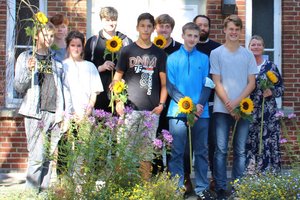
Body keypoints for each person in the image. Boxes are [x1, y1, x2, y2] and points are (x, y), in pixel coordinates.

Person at [112, 12, 167, 180]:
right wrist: (118, 101)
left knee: (146, 152)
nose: (145, 29)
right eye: (142, 26)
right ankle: (123, 185)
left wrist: (161, 105)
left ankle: (143, 188)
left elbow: (164, 84)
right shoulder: (127, 51)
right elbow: (116, 79)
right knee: (125, 150)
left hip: (150, 111)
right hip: (129, 110)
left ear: (153, 29)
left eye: (149, 26)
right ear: (137, 27)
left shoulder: (159, 54)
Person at [210, 14, 257, 199]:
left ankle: (238, 187)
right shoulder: (216, 53)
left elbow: (251, 83)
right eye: (230, 29)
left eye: (237, 30)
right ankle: (221, 187)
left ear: (240, 31)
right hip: (222, 110)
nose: (234, 32)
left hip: (243, 110)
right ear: (225, 30)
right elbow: (216, 81)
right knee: (220, 150)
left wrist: (237, 104)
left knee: (240, 150)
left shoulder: (247, 54)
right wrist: (230, 105)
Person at [14, 22, 64, 192]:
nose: (49, 39)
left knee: (49, 158)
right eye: (45, 35)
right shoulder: (26, 57)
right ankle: (30, 194)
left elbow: (61, 88)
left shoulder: (56, 60)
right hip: (35, 113)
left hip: (53, 113)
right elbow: (19, 87)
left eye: (51, 35)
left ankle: (42, 194)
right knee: (37, 157)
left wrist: (62, 112)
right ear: (36, 36)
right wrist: (29, 70)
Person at [167, 22, 214, 199]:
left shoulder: (204, 58)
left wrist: (199, 105)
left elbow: (208, 83)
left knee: (201, 152)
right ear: (183, 35)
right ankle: (178, 188)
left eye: (195, 36)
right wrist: (189, 106)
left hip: (202, 113)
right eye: (189, 35)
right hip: (177, 113)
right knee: (177, 152)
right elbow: (170, 86)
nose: (192, 39)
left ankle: (202, 188)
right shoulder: (172, 58)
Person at [187, 14, 221, 192]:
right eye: (198, 25)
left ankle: (214, 178)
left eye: (205, 25)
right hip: (188, 105)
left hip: (212, 104)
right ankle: (186, 180)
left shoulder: (216, 49)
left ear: (209, 28)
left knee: (212, 144)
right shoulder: (186, 47)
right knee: (187, 146)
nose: (202, 28)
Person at [246, 35, 284, 174]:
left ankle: (268, 175)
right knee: (251, 142)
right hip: (249, 111)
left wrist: (271, 91)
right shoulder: (245, 65)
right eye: (253, 45)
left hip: (267, 112)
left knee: (267, 141)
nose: (256, 47)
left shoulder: (271, 66)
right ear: (249, 47)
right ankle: (251, 175)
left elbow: (281, 88)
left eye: (259, 45)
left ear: (263, 47)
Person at [84, 6, 132, 112]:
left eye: (113, 19)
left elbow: (132, 69)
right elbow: (85, 68)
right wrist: (101, 67)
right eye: (107, 20)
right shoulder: (93, 42)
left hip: (120, 93)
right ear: (101, 21)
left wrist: (122, 80)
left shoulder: (126, 41)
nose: (111, 23)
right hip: (98, 95)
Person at [152, 13, 181, 175]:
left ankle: (173, 174)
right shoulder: (151, 46)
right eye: (161, 26)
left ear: (171, 29)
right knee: (155, 137)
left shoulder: (178, 48)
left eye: (167, 26)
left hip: (174, 100)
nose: (163, 29)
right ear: (156, 28)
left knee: (172, 139)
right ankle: (156, 173)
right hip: (155, 98)